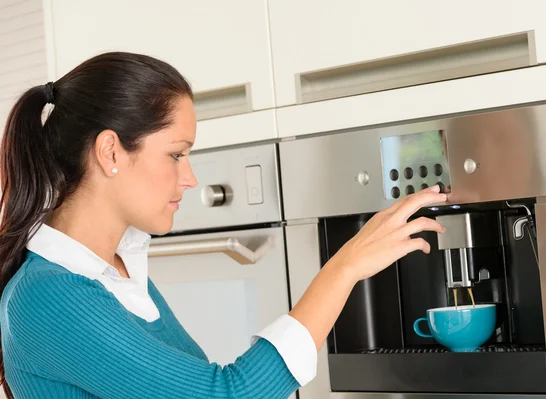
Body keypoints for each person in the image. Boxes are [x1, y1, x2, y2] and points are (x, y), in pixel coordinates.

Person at [0, 52, 447, 399]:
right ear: (111, 152)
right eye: (176, 154)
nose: (189, 177)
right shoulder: (48, 294)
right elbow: (224, 394)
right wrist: (344, 268)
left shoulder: (120, 272)